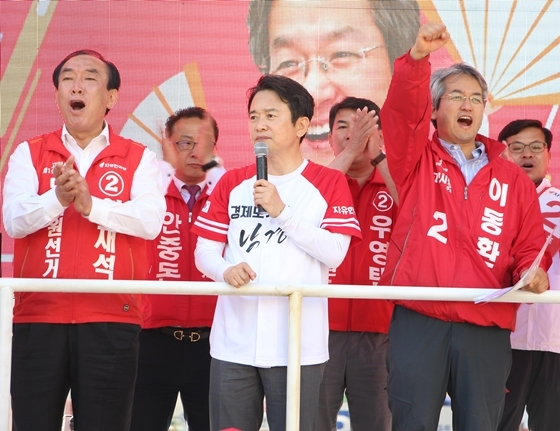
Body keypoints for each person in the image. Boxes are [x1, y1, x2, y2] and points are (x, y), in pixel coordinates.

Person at [379, 23, 550, 430]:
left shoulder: (510, 177)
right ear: (435, 108)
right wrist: (417, 60)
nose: (467, 103)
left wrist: (533, 271)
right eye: (456, 95)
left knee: (481, 423)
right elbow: (402, 115)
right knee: (412, 421)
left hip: (486, 326)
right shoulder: (415, 159)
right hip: (420, 319)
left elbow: (529, 244)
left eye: (476, 97)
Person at [2, 50, 166, 431]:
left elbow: (150, 222)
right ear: (58, 93)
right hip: (38, 317)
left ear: (111, 97)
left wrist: (91, 205)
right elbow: (13, 221)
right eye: (67, 78)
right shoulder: (30, 152)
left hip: (111, 317)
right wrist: (57, 199)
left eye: (90, 77)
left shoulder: (138, 157)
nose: (77, 85)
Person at [191, 74, 362, 431]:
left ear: (301, 125)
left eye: (271, 115)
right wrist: (224, 270)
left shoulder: (328, 182)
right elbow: (204, 252)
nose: (259, 125)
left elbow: (335, 253)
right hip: (233, 343)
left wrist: (282, 212)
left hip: (298, 344)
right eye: (254, 116)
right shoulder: (232, 182)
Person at [130, 107, 225, 431]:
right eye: (184, 143)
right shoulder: (148, 193)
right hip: (151, 340)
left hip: (216, 343)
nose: (195, 152)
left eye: (205, 143)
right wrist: (164, 167)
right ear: (167, 146)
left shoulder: (230, 195)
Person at [247, 0, 420, 165]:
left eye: (342, 54)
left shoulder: (427, 180)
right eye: (289, 63)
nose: (314, 91)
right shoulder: (249, 190)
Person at [317, 96, 397, 431]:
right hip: (319, 330)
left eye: (365, 127)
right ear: (329, 136)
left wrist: (379, 156)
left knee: (378, 423)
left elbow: (417, 208)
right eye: (343, 127)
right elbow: (304, 198)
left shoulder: (394, 183)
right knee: (312, 421)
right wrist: (350, 153)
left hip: (382, 334)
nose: (354, 134)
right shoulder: (318, 179)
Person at [497, 119, 560, 431]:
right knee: (497, 423)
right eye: (517, 147)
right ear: (503, 155)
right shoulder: (490, 208)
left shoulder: (557, 203)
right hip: (502, 339)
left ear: (548, 155)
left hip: (554, 342)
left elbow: (539, 253)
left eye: (536, 147)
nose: (527, 154)